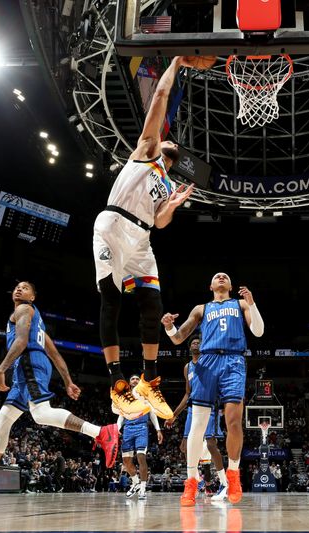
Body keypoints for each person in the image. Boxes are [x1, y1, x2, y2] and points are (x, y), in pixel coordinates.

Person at [0, 282, 120, 507]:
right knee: (2, 422)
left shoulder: (23, 310)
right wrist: (68, 381)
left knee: (40, 414)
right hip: (30, 365)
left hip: (28, 362)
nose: (19, 289)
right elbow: (55, 353)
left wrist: (1, 369)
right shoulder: (36, 319)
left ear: (33, 297)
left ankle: (101, 432)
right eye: (17, 287)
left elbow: (20, 342)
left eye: (25, 287)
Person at [93, 56, 197, 420]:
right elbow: (160, 98)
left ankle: (149, 380)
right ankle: (118, 382)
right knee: (113, 300)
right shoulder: (147, 149)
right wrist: (177, 63)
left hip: (142, 237)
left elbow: (161, 222)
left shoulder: (167, 182)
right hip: (113, 225)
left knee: (152, 302)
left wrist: (174, 206)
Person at [162, 273, 264, 505]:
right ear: (210, 286)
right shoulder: (201, 308)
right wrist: (169, 327)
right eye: (216, 276)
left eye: (225, 276)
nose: (221, 277)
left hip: (233, 361)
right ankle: (190, 483)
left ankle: (234, 474)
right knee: (197, 424)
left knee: (234, 422)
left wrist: (252, 303)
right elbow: (178, 338)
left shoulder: (240, 304)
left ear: (230, 285)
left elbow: (258, 331)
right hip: (206, 363)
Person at [166, 335, 230, 501]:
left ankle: (224, 483)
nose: (196, 344)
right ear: (189, 348)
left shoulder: (211, 362)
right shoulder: (187, 367)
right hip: (193, 408)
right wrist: (174, 415)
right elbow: (187, 393)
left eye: (199, 342)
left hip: (209, 406)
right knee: (184, 447)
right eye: (193, 342)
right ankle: (195, 480)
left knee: (211, 444)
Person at [117, 375, 163, 500]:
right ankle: (135, 482)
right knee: (126, 460)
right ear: (129, 382)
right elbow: (121, 415)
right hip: (127, 428)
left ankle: (143, 488)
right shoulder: (124, 397)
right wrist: (116, 429)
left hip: (141, 427)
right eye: (132, 379)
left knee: (141, 457)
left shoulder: (145, 395)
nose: (135, 380)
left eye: (137, 379)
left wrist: (158, 429)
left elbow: (152, 413)